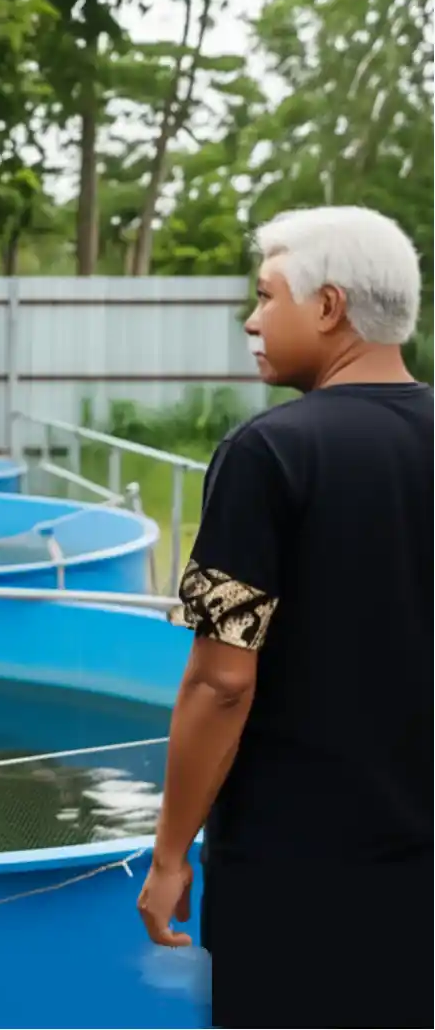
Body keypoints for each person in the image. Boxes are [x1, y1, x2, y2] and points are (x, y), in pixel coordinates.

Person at [136, 207, 432, 1028]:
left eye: (265, 296)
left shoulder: (264, 455)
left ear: (328, 307)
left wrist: (169, 853)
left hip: (296, 876)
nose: (250, 320)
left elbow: (221, 682)